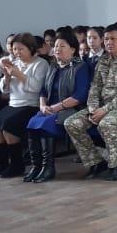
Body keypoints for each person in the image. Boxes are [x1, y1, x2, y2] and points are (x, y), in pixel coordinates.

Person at [63, 22, 117, 181]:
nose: (108, 42)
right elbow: (95, 87)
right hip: (102, 107)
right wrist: (93, 108)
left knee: (106, 123)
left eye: (113, 39)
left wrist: (105, 110)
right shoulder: (104, 59)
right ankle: (96, 162)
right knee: (71, 123)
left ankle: (116, 165)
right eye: (106, 39)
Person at [24, 28, 89, 183]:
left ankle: (48, 168)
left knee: (45, 124)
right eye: (56, 46)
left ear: (72, 49)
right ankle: (36, 166)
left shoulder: (80, 67)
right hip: (49, 109)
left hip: (70, 109)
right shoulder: (53, 66)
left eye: (62, 46)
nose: (58, 49)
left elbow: (79, 96)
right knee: (32, 123)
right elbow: (43, 90)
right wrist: (42, 105)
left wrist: (56, 108)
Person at [0, 33, 49, 179]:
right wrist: (7, 77)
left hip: (31, 104)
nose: (17, 52)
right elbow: (4, 90)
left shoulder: (40, 64)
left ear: (31, 48)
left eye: (21, 49)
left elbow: (37, 88)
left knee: (9, 126)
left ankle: (16, 164)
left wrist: (18, 74)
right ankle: (2, 163)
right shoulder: (15, 63)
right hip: (14, 103)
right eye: (14, 49)